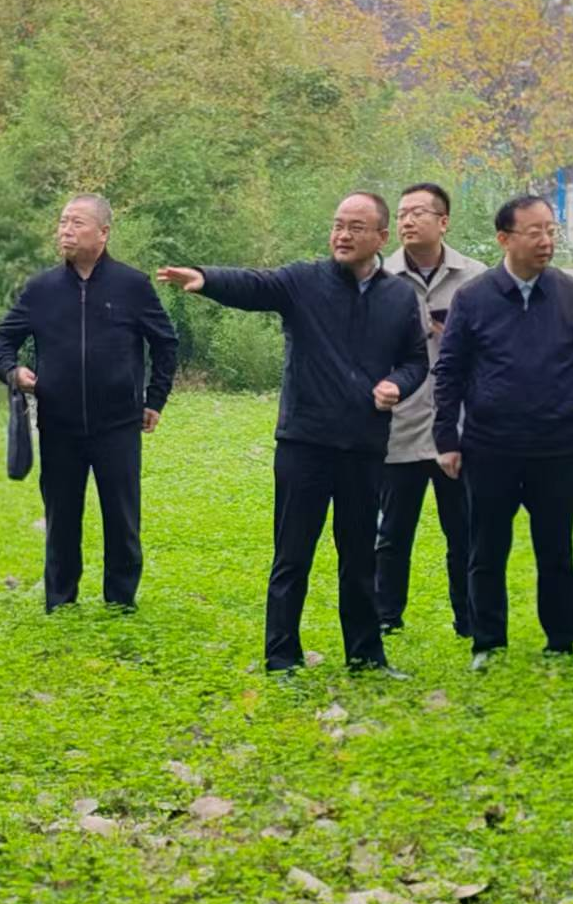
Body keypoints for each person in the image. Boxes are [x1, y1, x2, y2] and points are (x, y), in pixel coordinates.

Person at [157, 193, 428, 677]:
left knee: (360, 558)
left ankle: (366, 656)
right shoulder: (304, 281)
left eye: (356, 227)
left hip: (364, 447)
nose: (343, 235)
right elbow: (255, 285)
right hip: (305, 443)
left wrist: (397, 385)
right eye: (338, 224)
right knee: (292, 556)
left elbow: (415, 360)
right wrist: (206, 278)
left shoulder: (399, 297)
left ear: (381, 237)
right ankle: (282, 657)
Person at [433, 195, 573, 669]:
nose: (546, 240)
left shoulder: (570, 293)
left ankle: (560, 641)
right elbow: (449, 372)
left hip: (553, 445)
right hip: (489, 446)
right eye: (534, 232)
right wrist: (446, 439)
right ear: (504, 239)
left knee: (556, 549)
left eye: (550, 230)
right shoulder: (473, 298)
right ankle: (488, 643)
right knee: (486, 549)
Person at [0, 194, 179, 613]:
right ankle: (61, 601)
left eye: (77, 223)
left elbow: (166, 343)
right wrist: (13, 372)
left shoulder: (132, 286)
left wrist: (155, 399)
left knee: (122, 519)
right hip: (59, 425)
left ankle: (120, 601)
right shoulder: (42, 290)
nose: (66, 231)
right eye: (62, 222)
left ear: (103, 233)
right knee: (61, 518)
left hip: (118, 425)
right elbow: (1, 338)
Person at [374, 182, 485, 638]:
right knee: (392, 531)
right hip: (399, 423)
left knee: (464, 531)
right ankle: (385, 616)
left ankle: (469, 618)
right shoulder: (379, 277)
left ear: (443, 222)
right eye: (401, 213)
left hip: (458, 426)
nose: (407, 220)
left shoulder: (475, 278)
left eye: (417, 212)